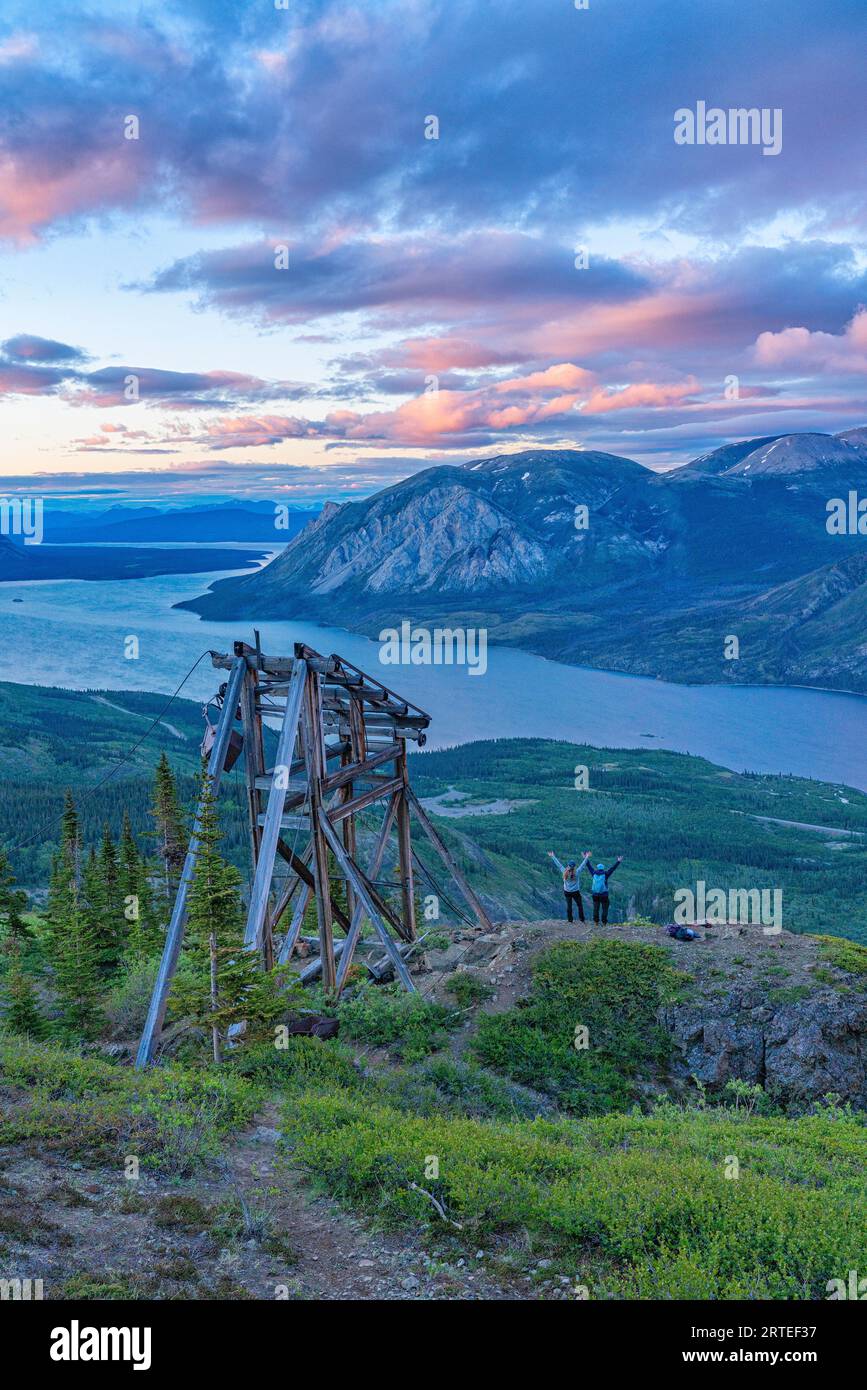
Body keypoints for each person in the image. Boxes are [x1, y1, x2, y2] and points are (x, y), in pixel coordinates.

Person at [548, 850, 591, 923]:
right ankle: (582, 919)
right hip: (575, 892)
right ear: (574, 867)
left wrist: (553, 856)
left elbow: (558, 864)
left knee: (569, 906)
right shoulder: (577, 872)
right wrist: (586, 857)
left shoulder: (564, 871)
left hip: (567, 892)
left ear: (568, 865)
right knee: (579, 905)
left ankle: (570, 920)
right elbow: (582, 865)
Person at [585, 855, 624, 924]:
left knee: (596, 908)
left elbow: (589, 866)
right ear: (603, 868)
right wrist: (618, 861)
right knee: (605, 908)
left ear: (597, 868)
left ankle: (596, 922)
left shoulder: (593, 873)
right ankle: (604, 922)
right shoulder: (606, 874)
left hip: (595, 894)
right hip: (604, 895)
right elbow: (612, 868)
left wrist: (586, 858)